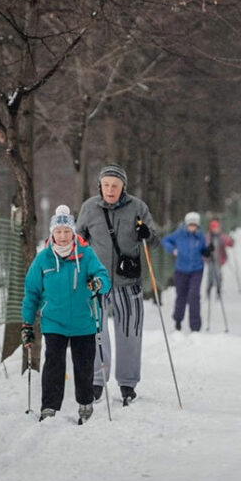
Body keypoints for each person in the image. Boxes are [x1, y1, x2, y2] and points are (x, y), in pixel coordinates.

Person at [75, 164, 158, 407]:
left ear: (123, 187)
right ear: (100, 185)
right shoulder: (89, 207)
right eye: (106, 184)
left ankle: (128, 383)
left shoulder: (138, 207)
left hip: (128, 281)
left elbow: (154, 239)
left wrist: (146, 234)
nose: (110, 189)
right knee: (96, 332)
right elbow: (79, 239)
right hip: (97, 281)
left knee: (129, 332)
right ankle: (97, 381)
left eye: (115, 185)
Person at [21, 205, 111, 423]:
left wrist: (98, 283)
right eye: (58, 232)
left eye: (66, 231)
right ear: (52, 233)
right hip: (54, 321)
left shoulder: (86, 254)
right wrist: (27, 324)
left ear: (73, 233)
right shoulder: (43, 259)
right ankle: (49, 407)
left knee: (83, 364)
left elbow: (104, 278)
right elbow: (31, 293)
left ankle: (85, 403)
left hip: (84, 321)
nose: (62, 236)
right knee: (54, 363)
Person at [161, 211, 211, 331]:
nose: (192, 227)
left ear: (198, 225)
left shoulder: (200, 236)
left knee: (194, 296)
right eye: (190, 225)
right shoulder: (179, 234)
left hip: (196, 270)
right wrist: (173, 250)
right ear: (186, 224)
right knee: (181, 296)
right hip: (181, 270)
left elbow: (204, 249)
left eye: (194, 225)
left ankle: (195, 326)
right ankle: (178, 320)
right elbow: (165, 241)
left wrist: (207, 251)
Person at [204, 219, 235, 301]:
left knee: (218, 275)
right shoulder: (208, 237)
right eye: (214, 228)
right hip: (210, 260)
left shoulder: (221, 236)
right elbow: (204, 248)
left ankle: (218, 290)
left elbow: (228, 242)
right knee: (210, 275)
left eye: (217, 228)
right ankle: (208, 290)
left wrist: (231, 241)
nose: (216, 230)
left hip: (219, 260)